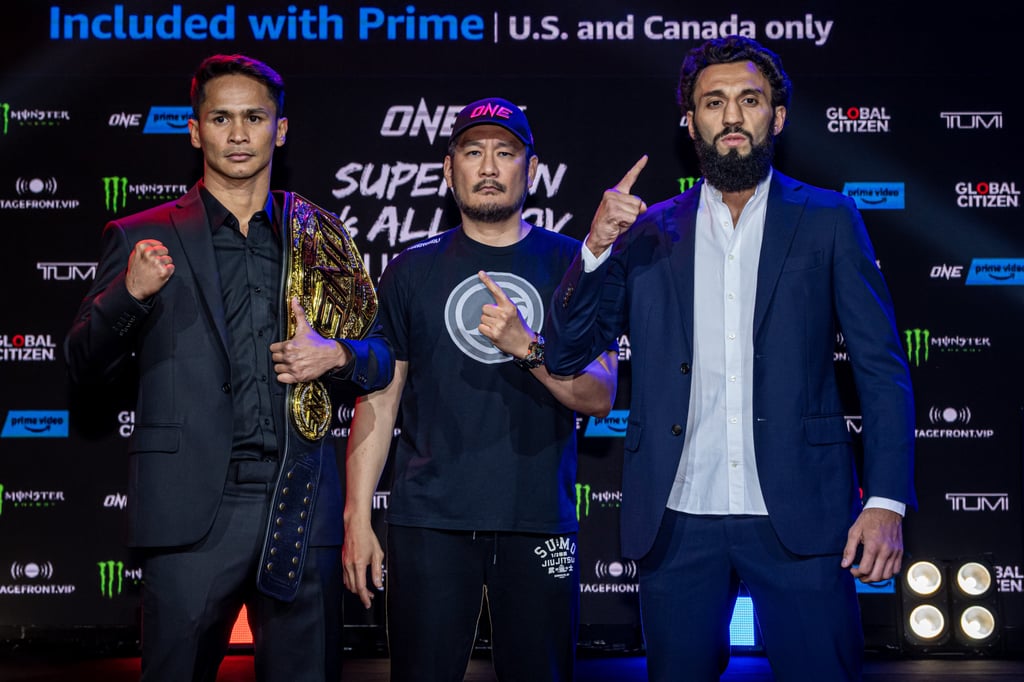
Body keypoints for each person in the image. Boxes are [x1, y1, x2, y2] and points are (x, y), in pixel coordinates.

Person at [544, 36, 916, 681]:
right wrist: (597, 246)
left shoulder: (830, 219)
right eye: (714, 103)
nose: (733, 116)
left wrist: (885, 501)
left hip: (803, 514)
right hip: (678, 517)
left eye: (750, 100)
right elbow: (569, 353)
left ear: (778, 116)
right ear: (690, 123)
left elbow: (881, 369)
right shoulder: (647, 229)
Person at [65, 54, 393, 681]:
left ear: (281, 130)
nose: (238, 133)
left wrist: (337, 353)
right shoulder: (142, 235)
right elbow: (83, 366)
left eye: (254, 117)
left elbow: (380, 356)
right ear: (195, 131)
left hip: (300, 499)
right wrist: (129, 297)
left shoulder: (319, 234)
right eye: (221, 118)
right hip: (191, 513)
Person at [341, 97, 617, 681]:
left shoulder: (574, 262)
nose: (489, 166)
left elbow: (600, 395)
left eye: (505, 152)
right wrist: (357, 519)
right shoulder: (411, 269)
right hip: (429, 522)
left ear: (531, 170)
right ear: (449, 170)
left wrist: (530, 349)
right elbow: (381, 397)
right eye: (473, 152)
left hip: (538, 517)